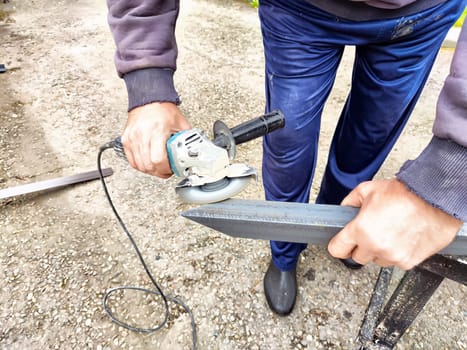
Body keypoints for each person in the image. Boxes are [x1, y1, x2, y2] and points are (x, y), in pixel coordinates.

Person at [106, 0, 467, 316]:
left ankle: (341, 224)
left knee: (369, 138)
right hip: (300, 13)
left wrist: (451, 169)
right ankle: (284, 253)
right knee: (287, 144)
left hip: (420, 15)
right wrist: (148, 79)